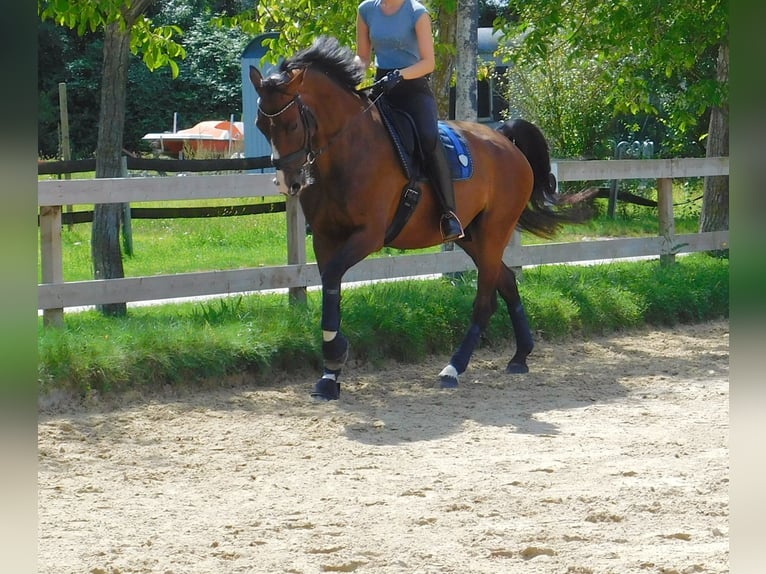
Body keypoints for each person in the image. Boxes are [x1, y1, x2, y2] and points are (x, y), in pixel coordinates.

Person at [355, 0, 465, 242]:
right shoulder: (366, 10)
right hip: (381, 86)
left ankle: (449, 214)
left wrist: (400, 75)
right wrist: (347, 75)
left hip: (413, 87)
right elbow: (363, 58)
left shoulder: (417, 12)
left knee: (428, 137)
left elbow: (429, 62)